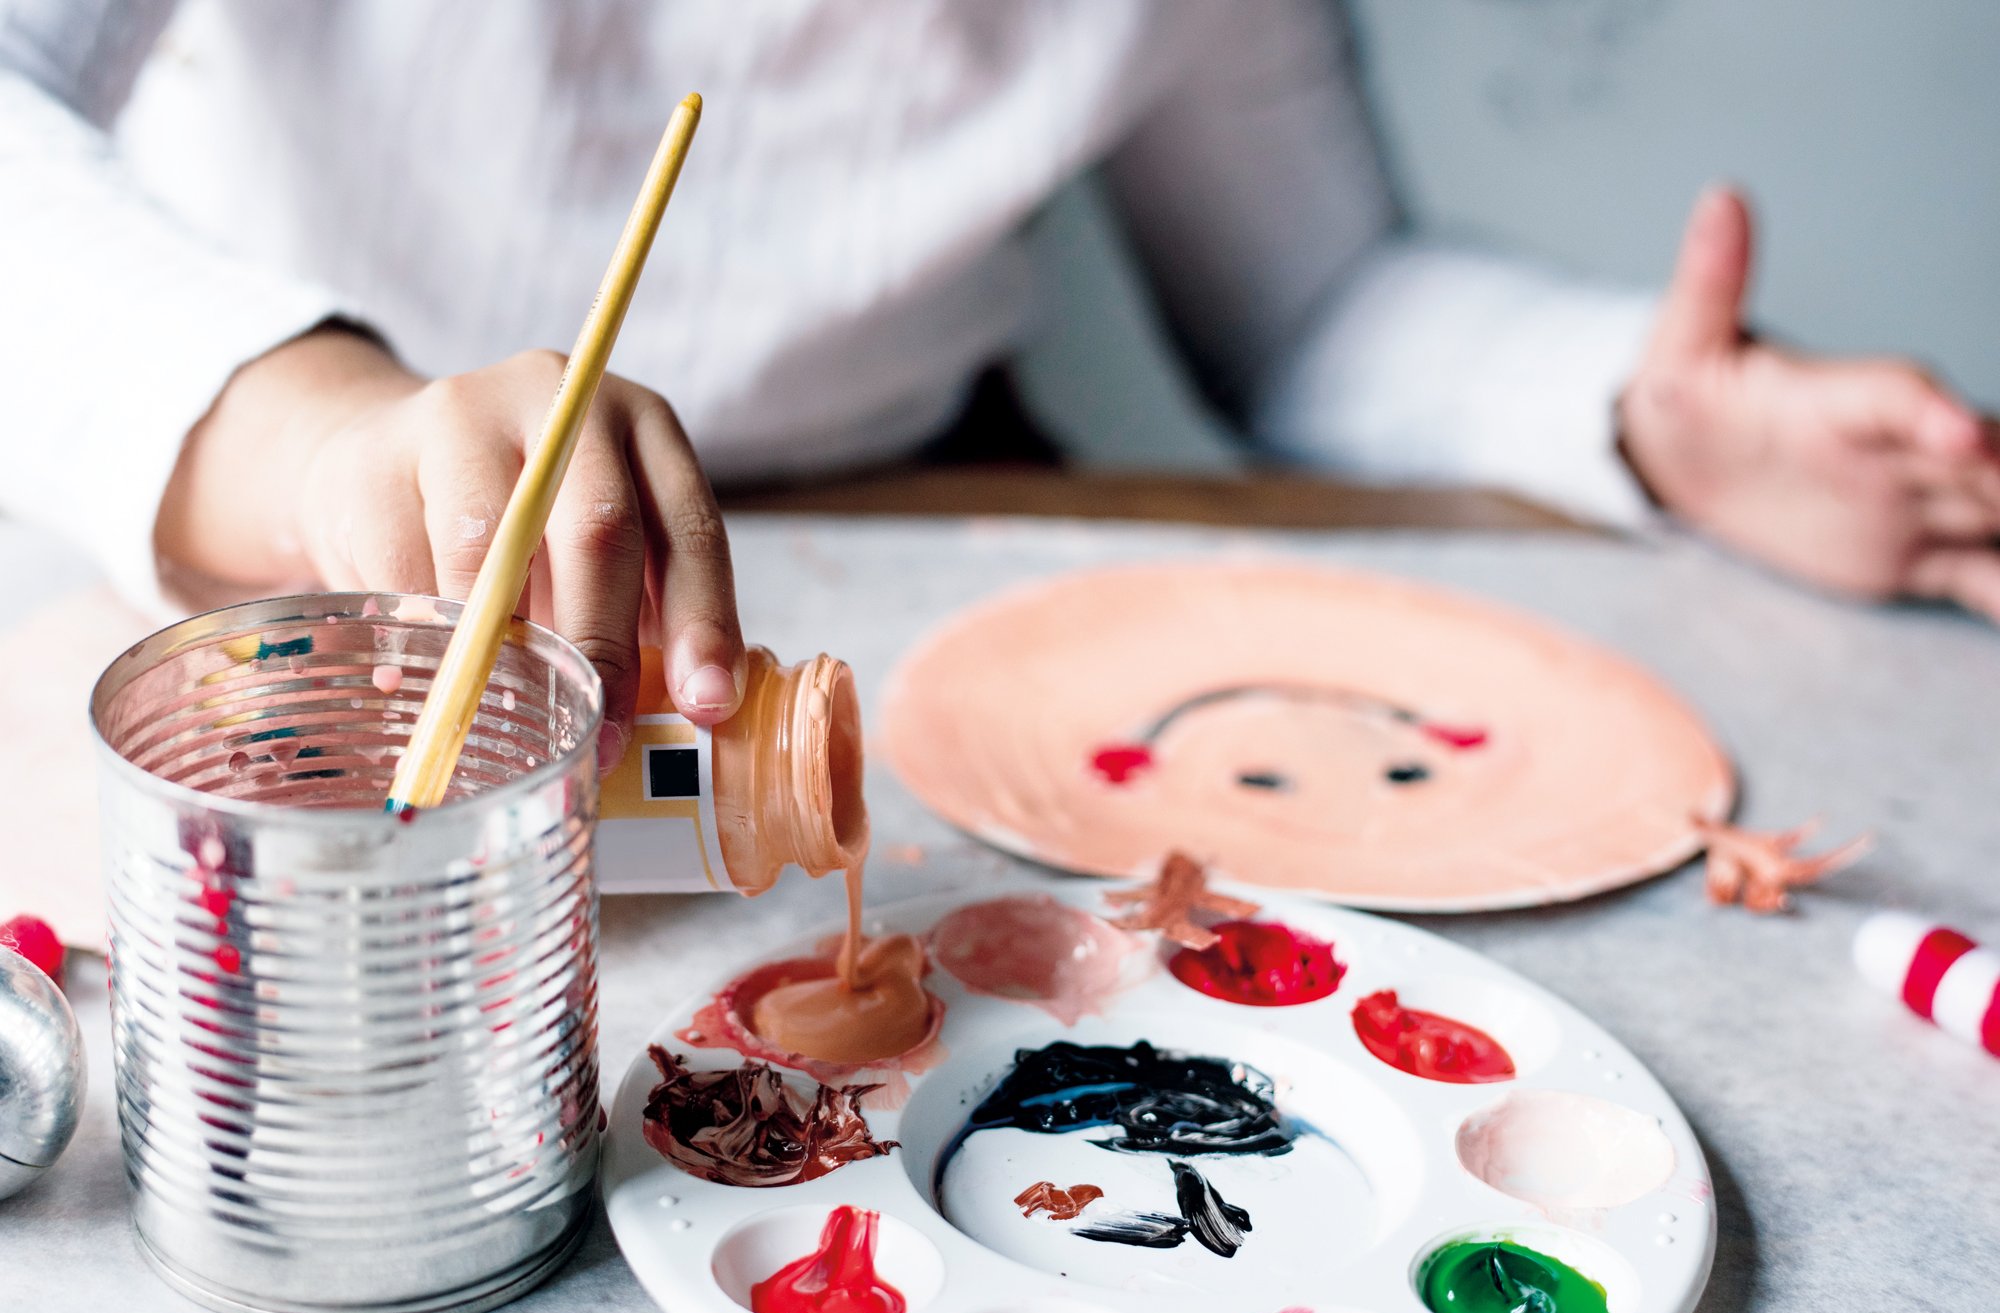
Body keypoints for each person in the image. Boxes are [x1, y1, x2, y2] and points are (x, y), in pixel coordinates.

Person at [2, 0, 1993, 771]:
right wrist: (327, 426)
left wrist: (1639, 422)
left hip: (925, 518)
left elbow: (1311, 304)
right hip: (303, 546)